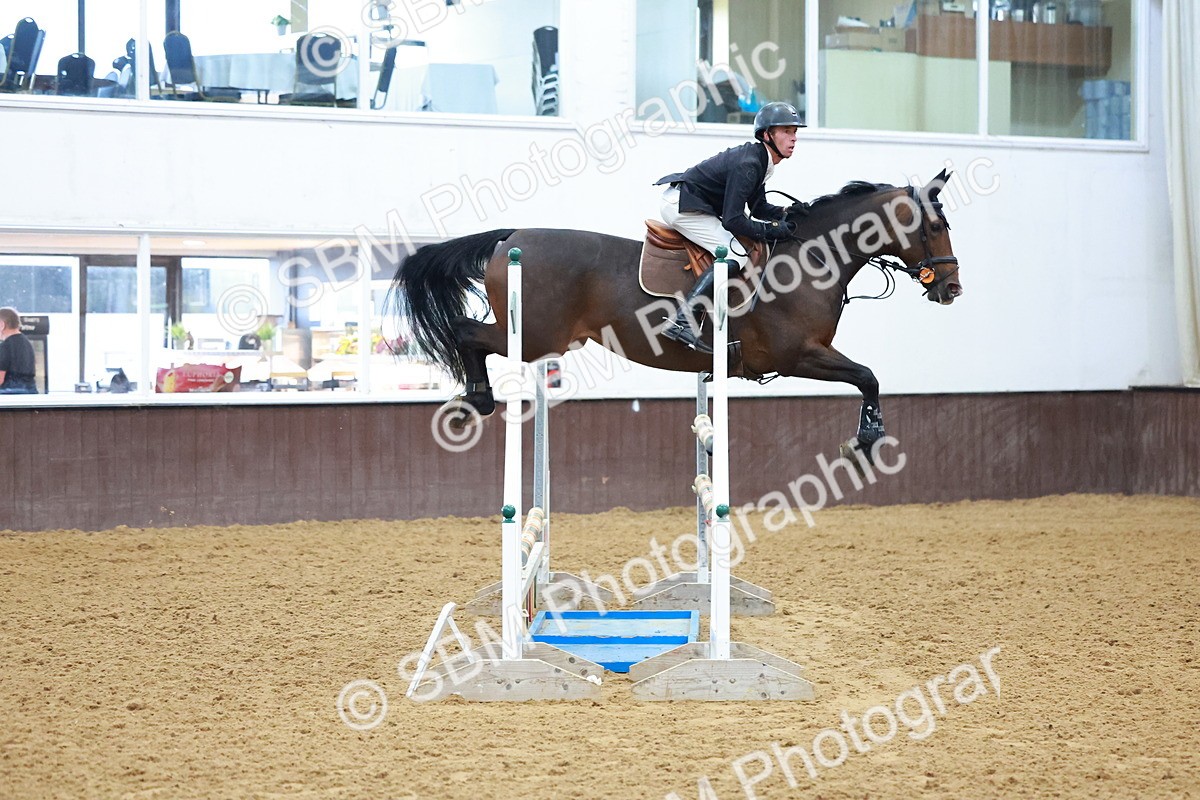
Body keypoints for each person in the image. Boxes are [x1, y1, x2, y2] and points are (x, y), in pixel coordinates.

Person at [654, 101, 806, 353]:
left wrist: (788, 213)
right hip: (681, 206)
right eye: (787, 131)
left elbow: (758, 209)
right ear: (767, 134)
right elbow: (733, 220)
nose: (794, 138)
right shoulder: (749, 164)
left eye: (795, 132)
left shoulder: (761, 161)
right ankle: (682, 320)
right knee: (734, 253)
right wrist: (772, 231)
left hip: (691, 201)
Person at [0, 307, 38, 394]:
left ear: (2, 325)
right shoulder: (27, 342)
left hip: (11, 395)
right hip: (30, 393)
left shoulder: (5, 346)